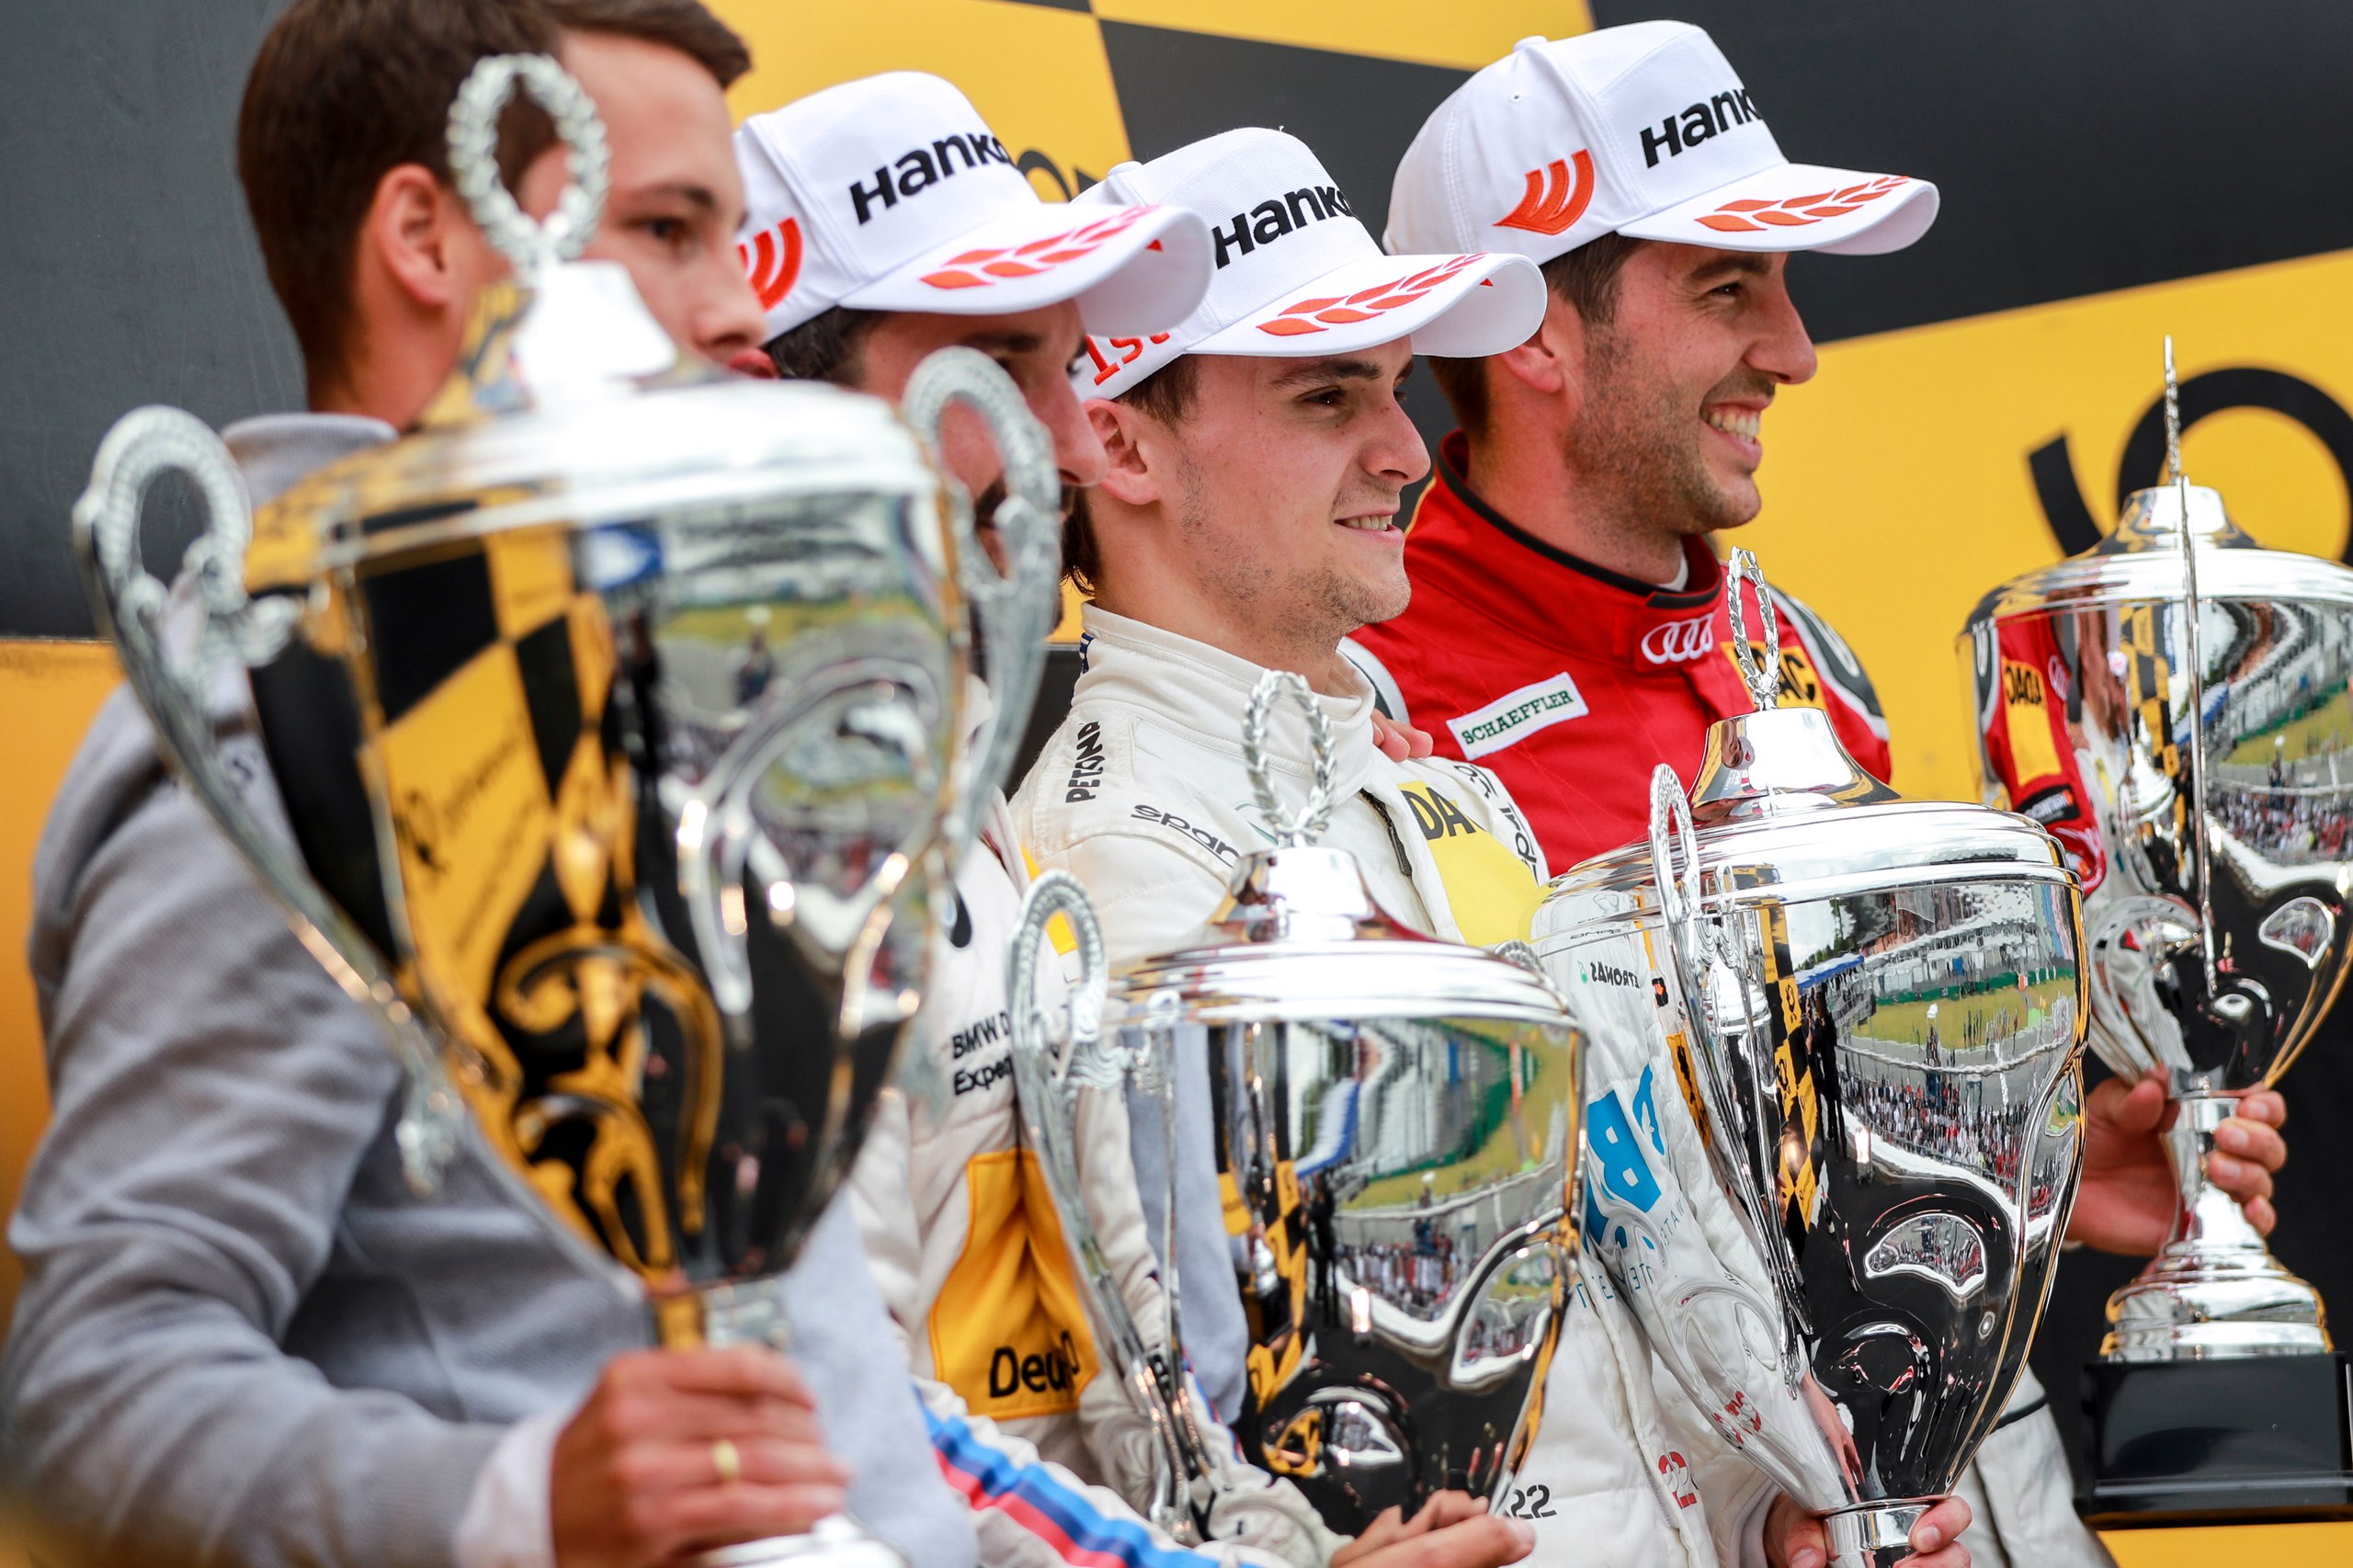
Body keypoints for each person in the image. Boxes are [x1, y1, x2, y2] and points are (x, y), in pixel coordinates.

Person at [2, 6, 974, 1568]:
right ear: (427, 237)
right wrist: (521, 1498)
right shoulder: (281, 700)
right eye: (666, 230)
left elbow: (844, 1408)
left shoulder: (618, 646)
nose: (741, 306)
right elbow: (89, 1387)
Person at [1347, 25, 2290, 1568]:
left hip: (1984, 1491)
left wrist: (2041, 1177)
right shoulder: (1373, 705)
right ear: (1534, 332)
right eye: (1732, 288)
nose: (1794, 349)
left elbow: (1825, 1162)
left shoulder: (1795, 652)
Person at [1010, 123, 1973, 1568]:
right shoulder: (1118, 852)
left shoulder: (1410, 769)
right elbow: (1198, 1429)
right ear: (1122, 442)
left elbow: (1606, 1233)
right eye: (1328, 394)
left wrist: (1755, 1512)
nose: (1404, 451)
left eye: (1395, 388)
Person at [736, 73, 1529, 1568]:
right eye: (996, 365)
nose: (1060, 434)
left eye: (1059, 366)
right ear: (766, 396)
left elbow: (1132, 1387)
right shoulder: (781, 833)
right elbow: (842, 1422)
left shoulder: (959, 798)